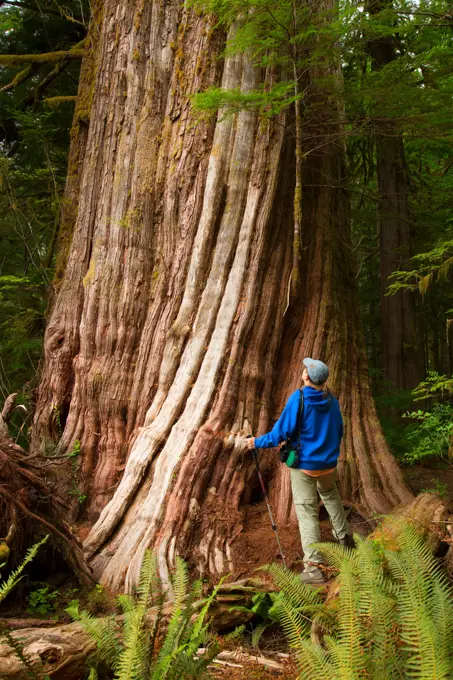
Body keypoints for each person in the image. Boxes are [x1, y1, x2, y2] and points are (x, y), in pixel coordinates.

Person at [245, 357, 354, 585]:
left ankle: (313, 568)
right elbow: (339, 430)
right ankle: (345, 541)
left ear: (306, 376)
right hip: (329, 464)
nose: (304, 370)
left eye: (306, 369)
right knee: (330, 495)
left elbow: (279, 434)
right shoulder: (332, 400)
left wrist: (256, 442)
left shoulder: (299, 398)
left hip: (305, 466)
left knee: (306, 512)